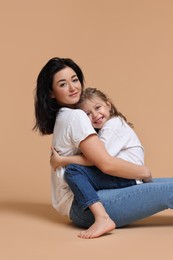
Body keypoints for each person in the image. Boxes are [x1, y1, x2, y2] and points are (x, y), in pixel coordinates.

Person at [33, 57, 173, 239]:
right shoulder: (76, 117)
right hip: (85, 205)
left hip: (84, 200)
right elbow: (105, 163)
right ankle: (103, 218)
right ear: (51, 92)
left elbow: (98, 160)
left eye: (74, 80)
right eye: (63, 84)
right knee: (169, 190)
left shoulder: (66, 115)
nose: (73, 87)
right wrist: (143, 171)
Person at [50, 87, 147, 238]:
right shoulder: (107, 128)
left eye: (98, 107)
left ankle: (103, 218)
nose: (95, 115)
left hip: (128, 176)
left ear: (108, 105)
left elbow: (97, 159)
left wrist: (62, 160)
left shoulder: (113, 125)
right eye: (87, 114)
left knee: (73, 171)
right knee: (80, 173)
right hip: (123, 175)